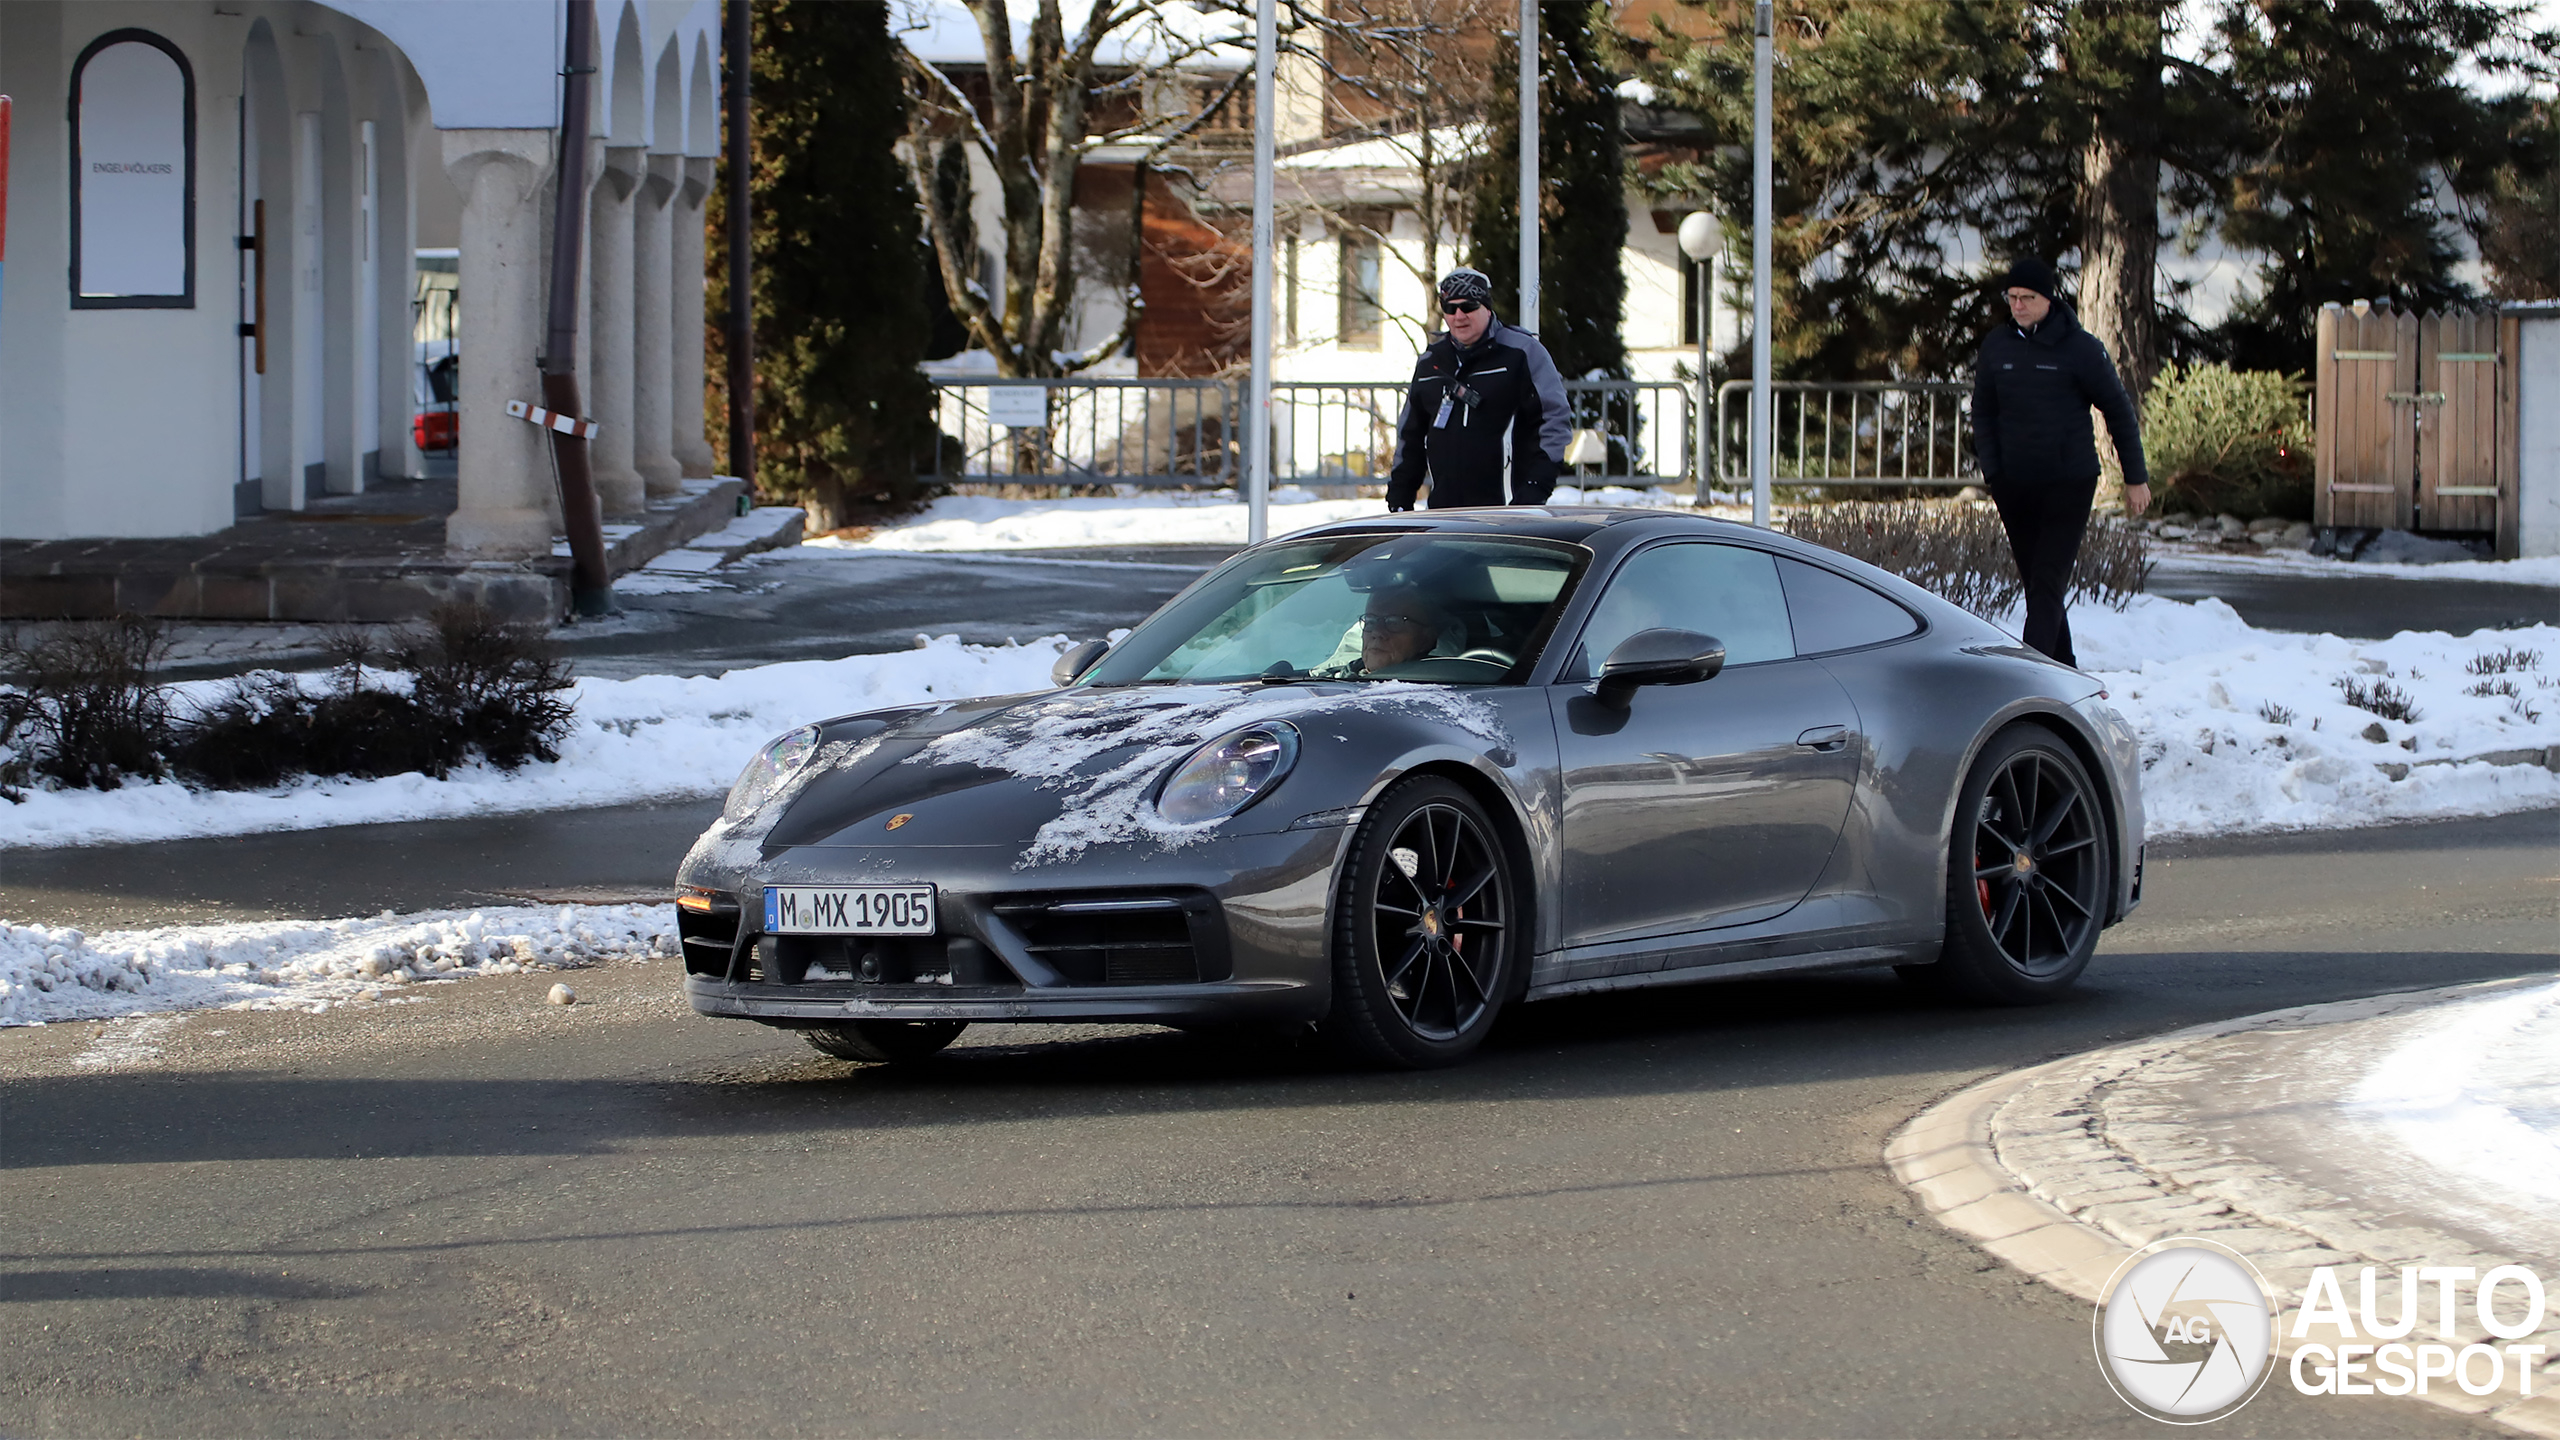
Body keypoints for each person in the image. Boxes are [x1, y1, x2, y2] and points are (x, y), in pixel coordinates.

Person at [1970, 257, 2151, 668]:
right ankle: (2064, 669)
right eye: (2012, 298)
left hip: (2069, 482)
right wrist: (1994, 471)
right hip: (2014, 483)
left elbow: (2118, 411)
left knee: (2048, 582)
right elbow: (1982, 411)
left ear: (2048, 300)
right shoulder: (1997, 346)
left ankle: (2028, 674)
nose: (2017, 306)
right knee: (2037, 586)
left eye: (2027, 298)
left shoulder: (2080, 348)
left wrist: (2134, 477)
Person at [1386, 268, 1571, 512]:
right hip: (1445, 512)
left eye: (1468, 306)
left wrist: (1535, 488)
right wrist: (1400, 494)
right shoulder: (1431, 362)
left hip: (1509, 510)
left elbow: (1554, 420)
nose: (1458, 316)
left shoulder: (1522, 352)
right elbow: (1410, 435)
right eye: (1450, 308)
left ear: (1486, 307)